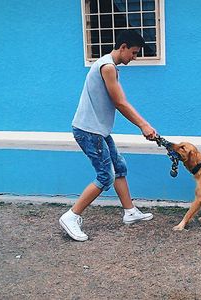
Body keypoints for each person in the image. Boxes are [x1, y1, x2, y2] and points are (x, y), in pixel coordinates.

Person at [59, 30, 158, 242]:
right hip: (89, 131)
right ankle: (71, 216)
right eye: (133, 52)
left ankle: (130, 211)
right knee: (106, 176)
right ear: (122, 47)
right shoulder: (107, 67)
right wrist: (144, 125)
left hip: (98, 130)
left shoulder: (107, 65)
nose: (134, 57)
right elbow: (120, 102)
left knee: (119, 167)